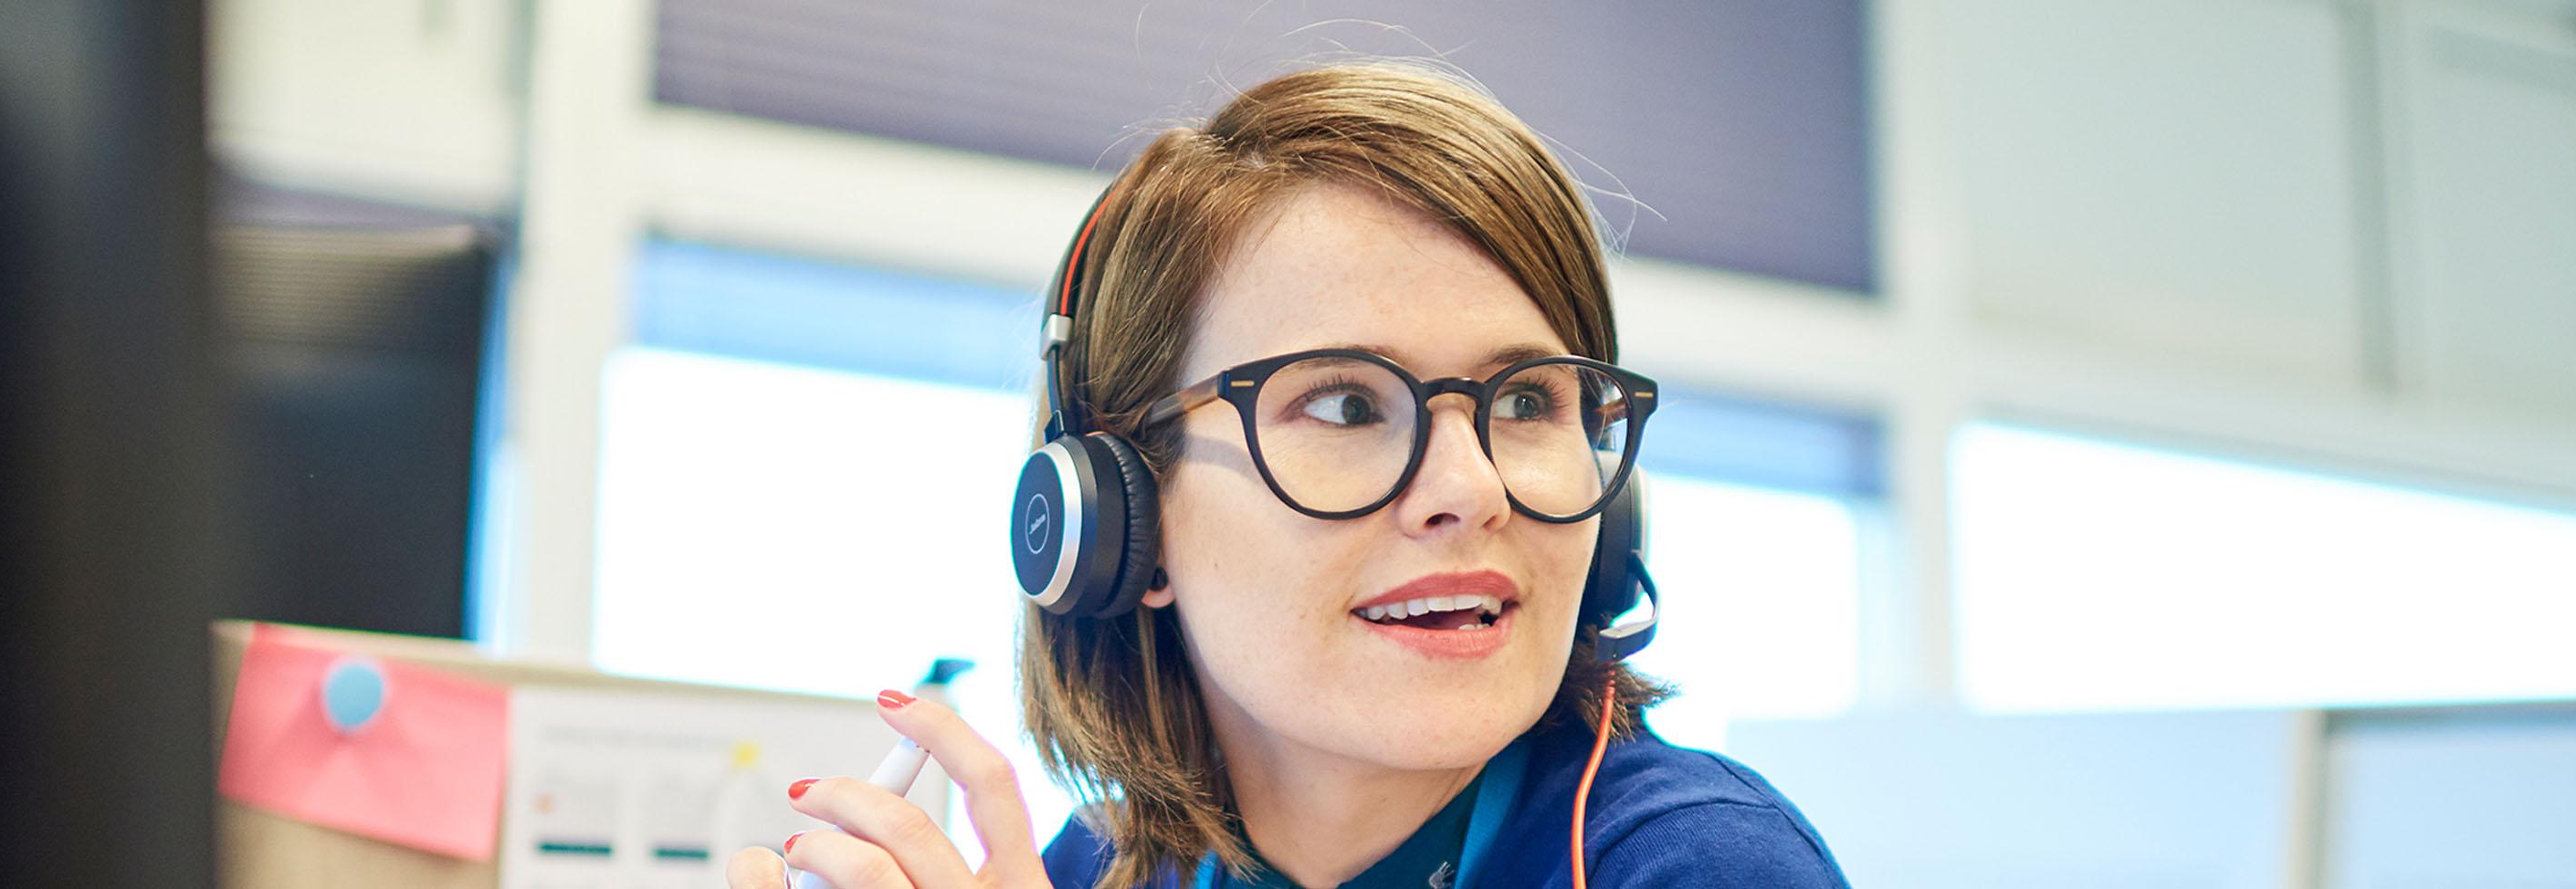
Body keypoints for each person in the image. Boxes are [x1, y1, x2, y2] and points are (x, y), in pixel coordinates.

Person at [728, 61, 1848, 889]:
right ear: (1124, 516)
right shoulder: (1101, 866)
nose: (1470, 488)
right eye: (1347, 404)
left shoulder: (1697, 861)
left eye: (1524, 402)